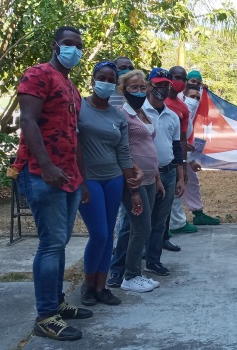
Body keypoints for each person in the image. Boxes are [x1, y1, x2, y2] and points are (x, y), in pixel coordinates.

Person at [15, 26, 92, 341]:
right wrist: (45, 165)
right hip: (41, 172)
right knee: (50, 244)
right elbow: (28, 121)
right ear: (55, 45)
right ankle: (46, 317)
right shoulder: (37, 75)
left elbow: (74, 135)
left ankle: (57, 303)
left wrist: (82, 179)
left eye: (79, 46)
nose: (74, 50)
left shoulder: (71, 87)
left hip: (69, 176)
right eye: (69, 44)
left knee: (59, 244)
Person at [77, 61, 142, 307]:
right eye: (100, 78)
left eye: (110, 79)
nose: (104, 82)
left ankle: (101, 287)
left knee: (109, 234)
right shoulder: (79, 107)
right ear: (93, 80)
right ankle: (87, 285)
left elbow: (123, 152)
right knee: (99, 234)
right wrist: (80, 182)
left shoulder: (118, 115)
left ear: (115, 84)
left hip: (113, 179)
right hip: (88, 179)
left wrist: (132, 188)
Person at [108, 69, 163, 292]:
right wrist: (133, 174)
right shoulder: (122, 113)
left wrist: (158, 178)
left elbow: (150, 146)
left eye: (142, 87)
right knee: (141, 228)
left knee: (140, 227)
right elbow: (121, 148)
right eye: (134, 88)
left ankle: (131, 272)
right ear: (123, 90)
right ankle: (130, 275)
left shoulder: (143, 113)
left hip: (150, 179)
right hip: (134, 179)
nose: (139, 91)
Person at [143, 68, 184, 276]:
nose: (161, 89)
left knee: (160, 221)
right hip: (145, 175)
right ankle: (128, 264)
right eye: (157, 84)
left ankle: (153, 260)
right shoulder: (138, 112)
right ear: (149, 85)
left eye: (165, 85)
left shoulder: (173, 116)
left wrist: (180, 178)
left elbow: (177, 149)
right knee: (139, 222)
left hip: (167, 173)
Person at [178, 80, 220, 226]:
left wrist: (190, 161)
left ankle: (198, 213)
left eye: (197, 98)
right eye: (192, 97)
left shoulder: (191, 113)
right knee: (176, 186)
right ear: (183, 97)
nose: (195, 101)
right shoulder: (176, 110)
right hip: (174, 158)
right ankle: (174, 223)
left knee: (192, 181)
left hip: (185, 155)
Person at [161, 65, 191, 252]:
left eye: (182, 78)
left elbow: (181, 140)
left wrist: (183, 167)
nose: (178, 81)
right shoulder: (157, 100)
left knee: (165, 207)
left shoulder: (183, 108)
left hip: (171, 164)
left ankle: (163, 239)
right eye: (175, 77)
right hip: (151, 165)